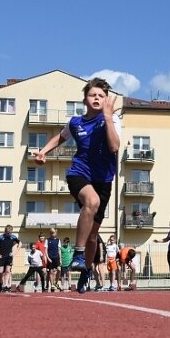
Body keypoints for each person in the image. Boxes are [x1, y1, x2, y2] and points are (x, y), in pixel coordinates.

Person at [33, 77, 121, 294]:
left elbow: (114, 146)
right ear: (85, 99)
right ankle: (78, 254)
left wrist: (108, 118)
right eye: (93, 95)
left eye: (101, 95)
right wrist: (44, 151)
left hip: (104, 180)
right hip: (79, 174)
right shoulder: (75, 122)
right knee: (91, 201)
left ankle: (85, 271)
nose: (97, 98)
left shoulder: (112, 119)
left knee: (93, 235)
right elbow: (60, 138)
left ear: (106, 99)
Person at [0, 225, 20, 293]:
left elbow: (20, 243)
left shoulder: (13, 237)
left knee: (7, 271)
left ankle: (6, 285)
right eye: (7, 232)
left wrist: (15, 252)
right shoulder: (0, 237)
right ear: (5, 231)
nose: (9, 234)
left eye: (10, 233)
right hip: (2, 257)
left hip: (9, 257)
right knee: (1, 271)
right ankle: (1, 283)